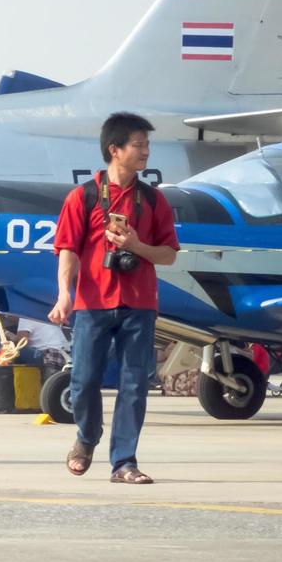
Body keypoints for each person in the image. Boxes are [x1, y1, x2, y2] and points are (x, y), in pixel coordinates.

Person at [50, 112, 179, 485]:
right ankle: (87, 437)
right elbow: (67, 250)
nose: (145, 153)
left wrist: (138, 246)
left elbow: (168, 254)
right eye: (138, 145)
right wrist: (64, 295)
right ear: (114, 149)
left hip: (139, 303)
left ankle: (124, 461)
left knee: (135, 384)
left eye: (147, 145)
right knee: (84, 379)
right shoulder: (83, 196)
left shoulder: (154, 200)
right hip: (92, 303)